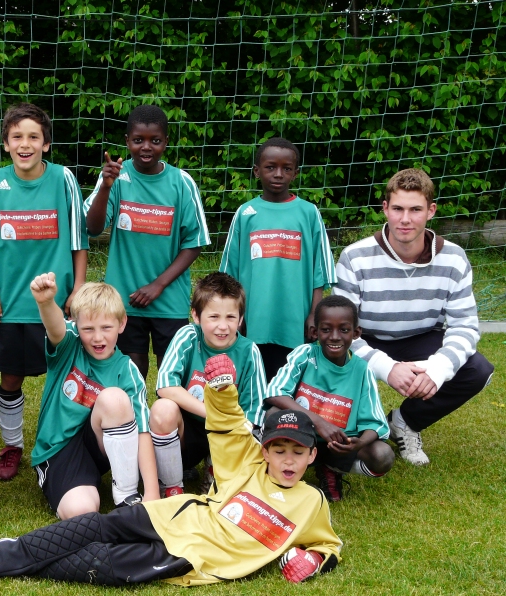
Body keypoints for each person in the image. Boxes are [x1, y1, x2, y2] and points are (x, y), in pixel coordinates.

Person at [0, 354, 341, 592]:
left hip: (188, 556)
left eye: (298, 452)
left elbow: (328, 545)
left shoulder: (311, 502)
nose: (288, 460)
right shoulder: (247, 464)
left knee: (100, 565)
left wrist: (313, 560)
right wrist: (220, 391)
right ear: (265, 451)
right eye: (279, 450)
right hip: (173, 514)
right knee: (89, 527)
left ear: (311, 457)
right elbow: (228, 426)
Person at [333, 168, 494, 466]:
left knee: (478, 370)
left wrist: (437, 368)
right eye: (397, 209)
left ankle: (405, 421)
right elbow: (340, 330)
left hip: (420, 339)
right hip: (364, 340)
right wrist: (387, 367)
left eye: (415, 209)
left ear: (431, 211)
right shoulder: (355, 257)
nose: (405, 219)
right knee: (332, 360)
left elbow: (465, 326)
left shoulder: (454, 258)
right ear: (385, 208)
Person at [0, 103, 88, 481]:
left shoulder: (63, 179)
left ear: (46, 144)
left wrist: (79, 288)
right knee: (9, 377)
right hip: (9, 302)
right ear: (6, 144)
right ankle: (12, 446)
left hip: (54, 304)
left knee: (66, 375)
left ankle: (62, 443)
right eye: (17, 137)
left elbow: (78, 240)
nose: (25, 144)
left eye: (33, 137)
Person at [84, 104, 210, 380]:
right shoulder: (116, 177)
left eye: (155, 140)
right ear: (127, 141)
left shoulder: (181, 182)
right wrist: (105, 187)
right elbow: (92, 228)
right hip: (126, 297)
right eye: (138, 140)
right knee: (132, 367)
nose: (146, 147)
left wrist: (158, 285)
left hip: (168, 298)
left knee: (171, 372)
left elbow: (194, 243)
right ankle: (134, 420)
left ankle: (169, 423)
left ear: (166, 142)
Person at [26, 273, 157, 519]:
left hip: (97, 446)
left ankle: (127, 494)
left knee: (114, 399)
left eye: (106, 327)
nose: (98, 337)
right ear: (76, 326)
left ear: (122, 323)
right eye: (88, 329)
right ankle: (73, 484)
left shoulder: (127, 370)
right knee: (82, 512)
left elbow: (141, 431)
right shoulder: (69, 346)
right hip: (59, 451)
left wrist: (152, 493)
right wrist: (45, 302)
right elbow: (55, 328)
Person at [219, 137, 336, 380]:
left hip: (295, 320)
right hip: (254, 319)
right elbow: (229, 274)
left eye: (287, 168)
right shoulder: (245, 213)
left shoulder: (308, 212)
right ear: (257, 171)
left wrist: (314, 313)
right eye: (271, 167)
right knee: (253, 379)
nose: (278, 174)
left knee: (290, 382)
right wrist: (235, 314)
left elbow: (319, 272)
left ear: (296, 173)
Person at [265, 295, 394, 501]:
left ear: (356, 333)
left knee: (382, 455)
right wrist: (318, 422)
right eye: (326, 329)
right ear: (315, 332)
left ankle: (332, 468)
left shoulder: (362, 370)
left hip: (338, 445)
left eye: (344, 330)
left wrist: (358, 444)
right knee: (273, 415)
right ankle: (279, 471)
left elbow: (377, 425)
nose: (335, 336)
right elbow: (275, 391)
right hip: (299, 436)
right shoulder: (305, 354)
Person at [150, 272, 267, 497]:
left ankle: (216, 476)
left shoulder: (249, 351)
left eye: (230, 317)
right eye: (213, 317)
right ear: (196, 315)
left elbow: (254, 413)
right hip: (188, 432)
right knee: (162, 409)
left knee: (244, 434)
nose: (222, 326)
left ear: (241, 319)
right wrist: (211, 413)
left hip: (228, 433)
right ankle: (172, 486)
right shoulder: (188, 337)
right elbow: (165, 386)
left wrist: (226, 424)